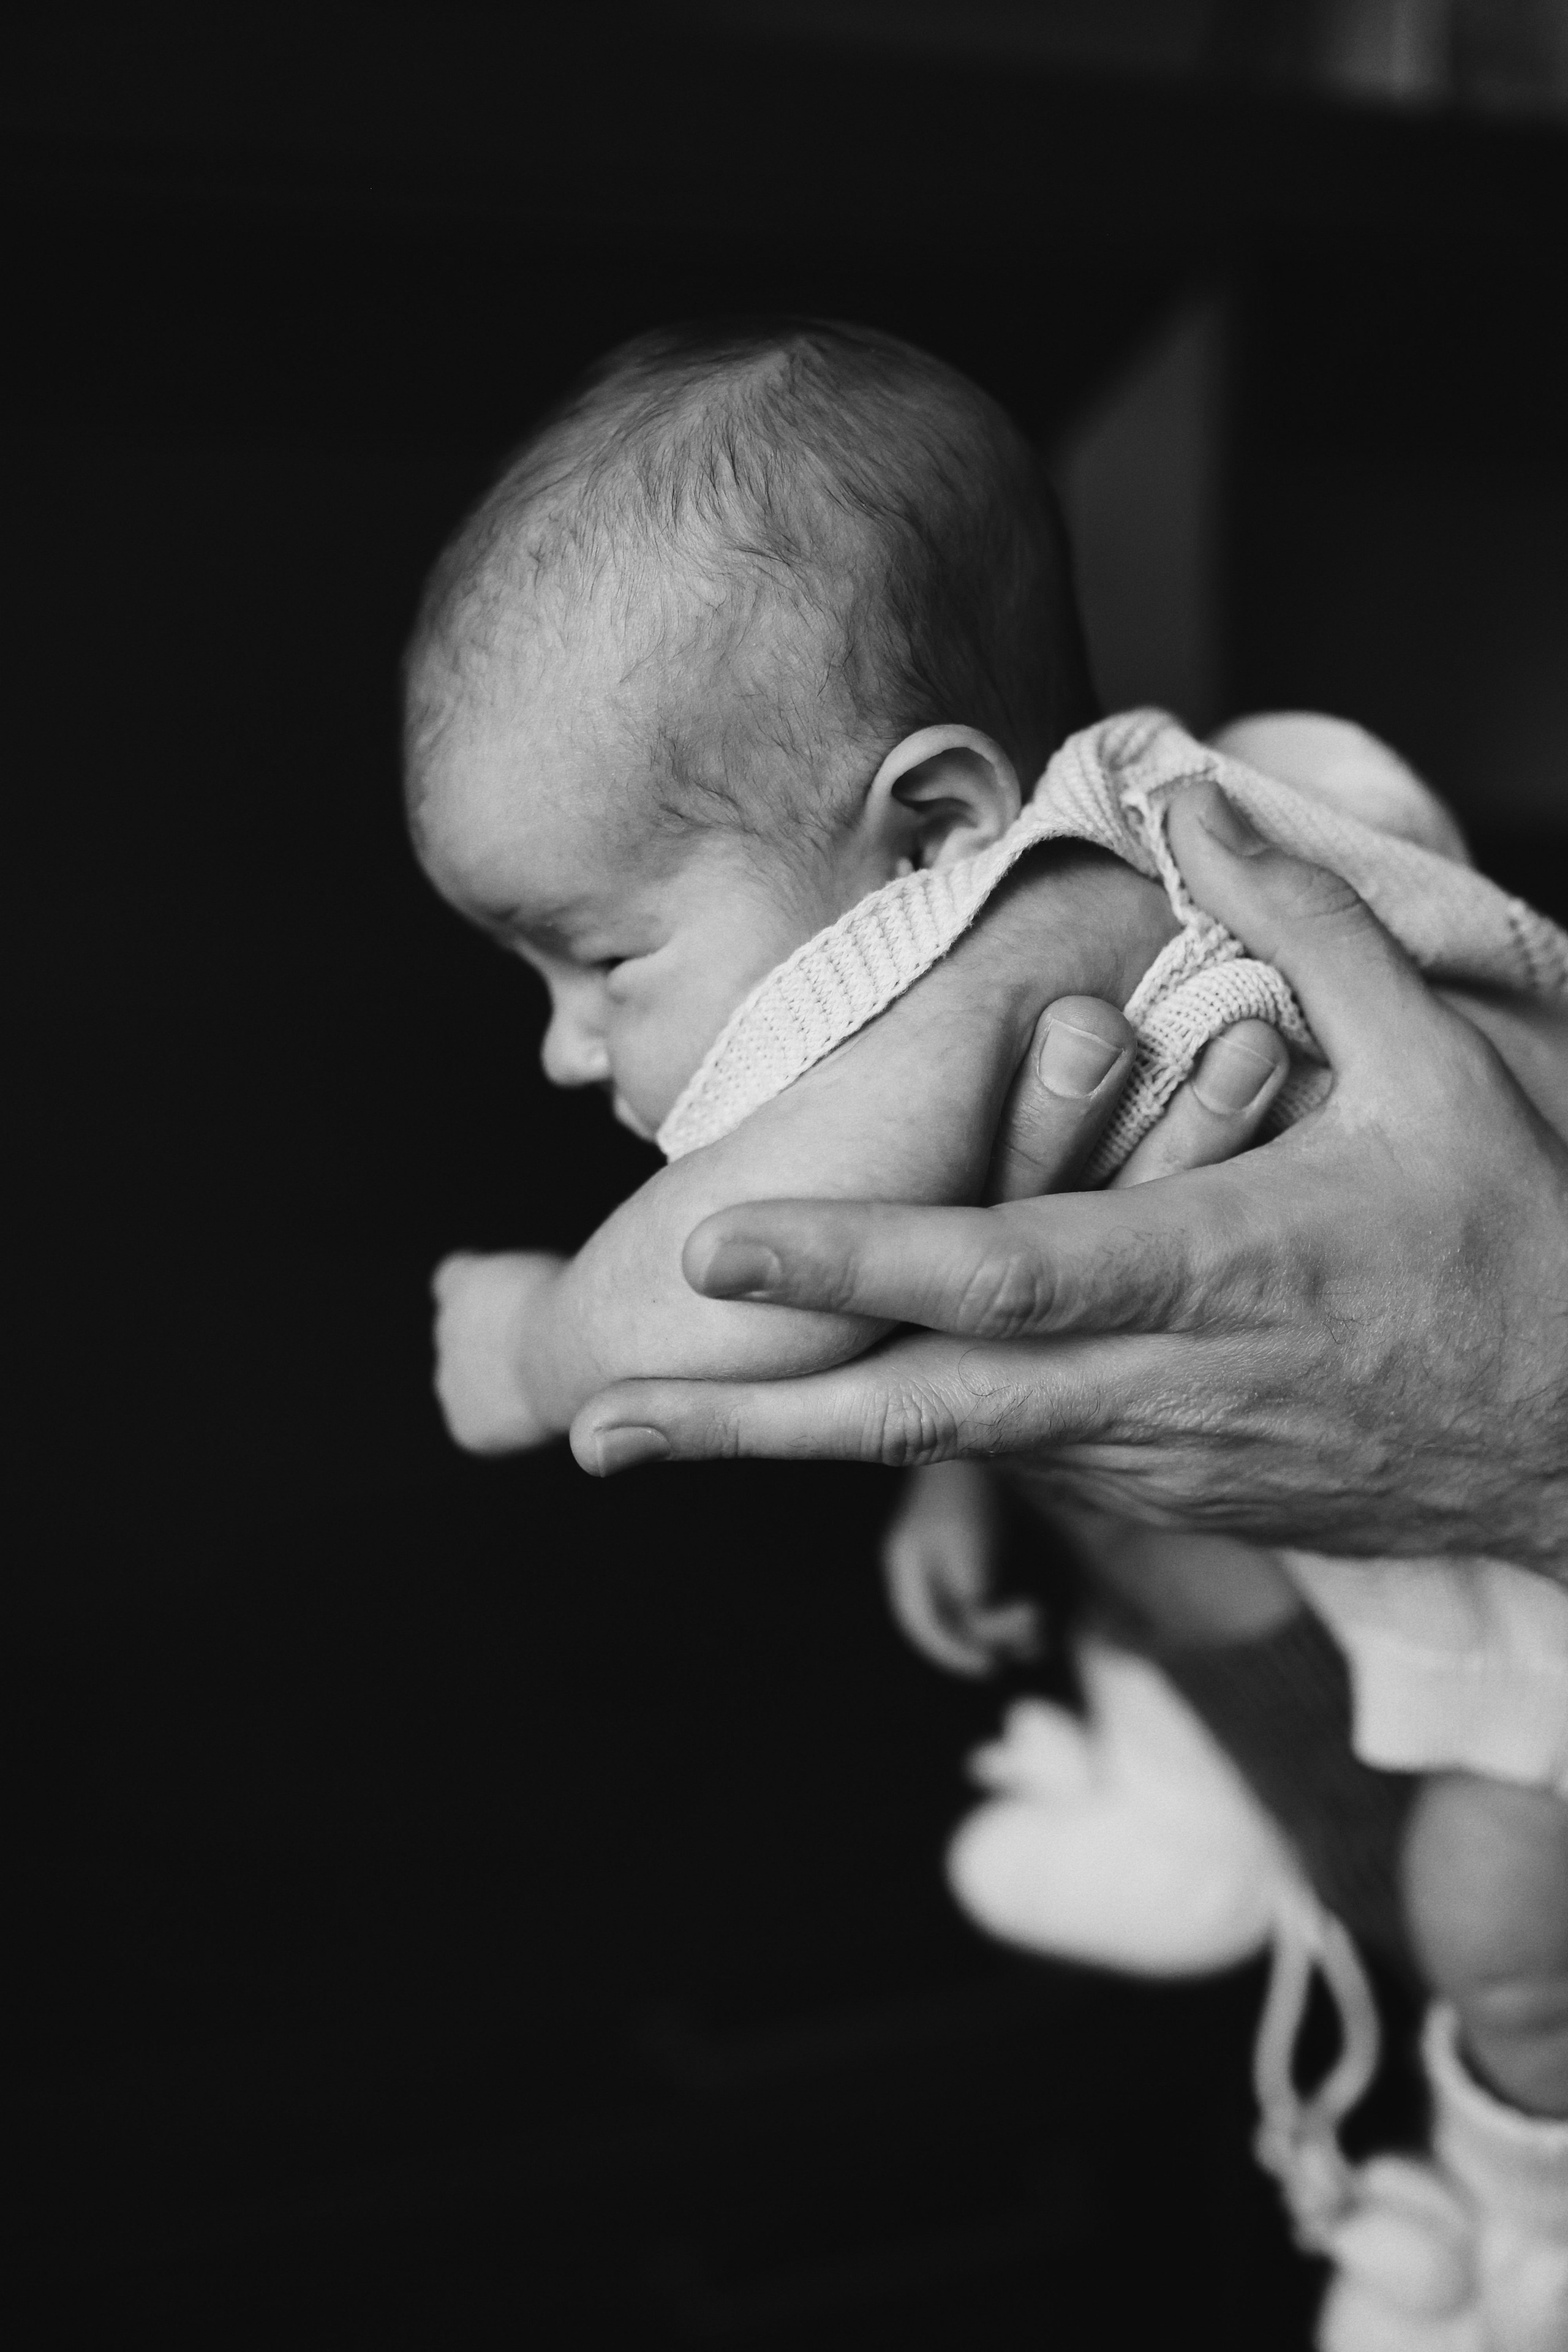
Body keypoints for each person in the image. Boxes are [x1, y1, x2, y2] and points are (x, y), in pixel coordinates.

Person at [407, 318, 1568, 2348]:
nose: (567, 1045)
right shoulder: (1060, 906)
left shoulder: (1052, 908)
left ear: (933, 824)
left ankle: (1517, 2226)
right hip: (1407, 1510)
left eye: (601, 956)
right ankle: (1272, 1853)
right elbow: (964, 1298)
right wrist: (965, 1484)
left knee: (1507, 1912)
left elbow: (742, 1260)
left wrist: (532, 1349)